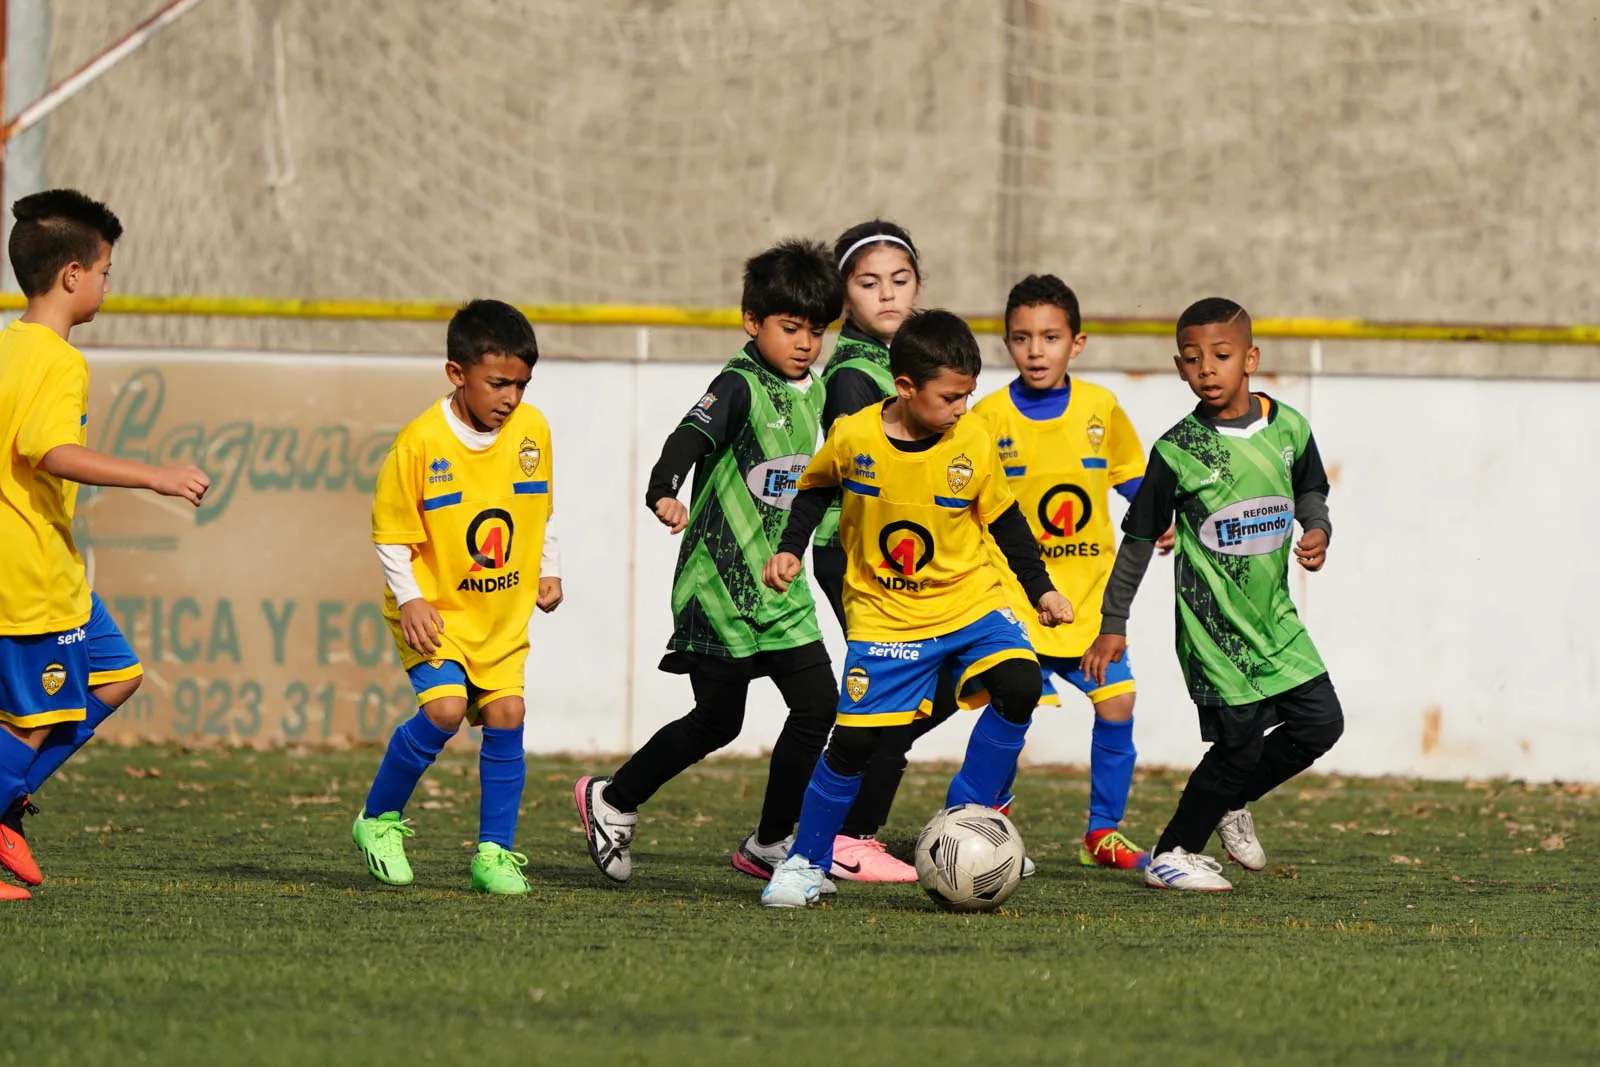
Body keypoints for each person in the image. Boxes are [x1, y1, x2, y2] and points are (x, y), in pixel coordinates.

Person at [758, 309, 1073, 908]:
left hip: (970, 604)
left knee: (1020, 682)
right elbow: (816, 488)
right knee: (851, 747)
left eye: (969, 396)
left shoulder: (972, 441)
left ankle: (971, 813)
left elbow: (1004, 519)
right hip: (885, 617)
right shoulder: (854, 435)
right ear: (905, 387)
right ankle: (805, 862)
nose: (962, 408)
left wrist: (1041, 590)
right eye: (951, 397)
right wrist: (789, 550)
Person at [573, 239, 845, 889]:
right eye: (789, 328)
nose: (805, 342)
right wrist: (664, 487)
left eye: (816, 330)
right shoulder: (739, 384)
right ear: (752, 322)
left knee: (817, 705)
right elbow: (687, 437)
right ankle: (613, 798)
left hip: (780, 588)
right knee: (720, 720)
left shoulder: (817, 393)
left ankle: (771, 839)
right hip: (717, 585)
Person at [1082, 297, 1342, 892]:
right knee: (1239, 747)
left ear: (1249, 358)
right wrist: (1113, 621)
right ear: (1180, 368)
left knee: (1321, 724)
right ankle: (1174, 852)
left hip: (1276, 621)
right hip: (1215, 632)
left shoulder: (1290, 428)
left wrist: (1318, 529)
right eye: (1194, 359)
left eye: (1221, 355)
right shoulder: (1176, 451)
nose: (1208, 368)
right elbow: (1139, 540)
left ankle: (1229, 802)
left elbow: (1312, 490)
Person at [0, 190, 209, 900]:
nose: (107, 285)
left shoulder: (7, 345)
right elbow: (50, 450)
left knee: (117, 673)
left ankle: (8, 801)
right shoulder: (59, 362)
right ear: (71, 276)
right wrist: (154, 475)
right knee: (34, 723)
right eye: (106, 271)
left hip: (52, 571)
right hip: (29, 573)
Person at [354, 299, 559, 896]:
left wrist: (550, 568)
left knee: (507, 715)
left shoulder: (533, 429)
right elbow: (391, 534)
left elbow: (543, 508)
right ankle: (378, 820)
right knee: (444, 711)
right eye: (498, 383)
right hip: (434, 610)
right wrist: (411, 599)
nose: (511, 397)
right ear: (456, 373)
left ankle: (494, 853)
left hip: (500, 614)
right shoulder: (419, 443)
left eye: (522, 384)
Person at [969, 274, 1154, 871]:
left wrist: (1158, 516)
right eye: (1021, 338)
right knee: (1013, 708)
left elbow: (1131, 476)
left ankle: (1103, 831)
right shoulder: (990, 417)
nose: (1035, 350)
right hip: (1017, 602)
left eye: (1050, 337)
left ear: (1076, 343)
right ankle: (981, 822)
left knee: (1118, 701)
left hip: (1086, 606)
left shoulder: (1101, 408)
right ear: (1006, 343)